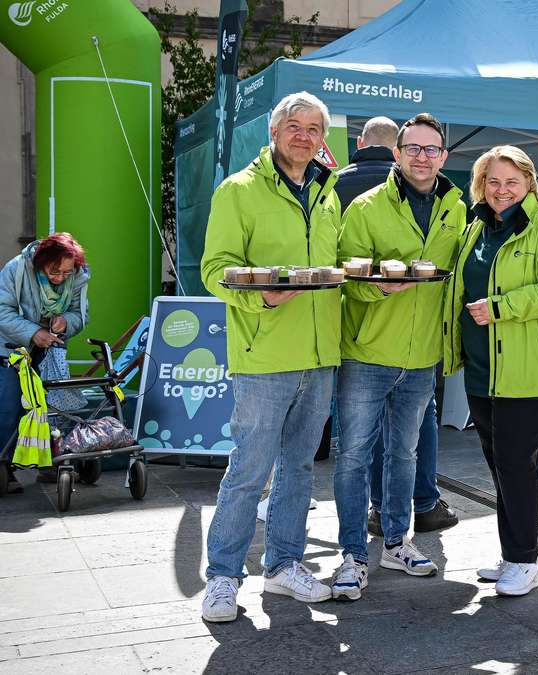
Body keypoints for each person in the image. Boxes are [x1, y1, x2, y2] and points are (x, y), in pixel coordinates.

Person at [199, 92, 343, 622]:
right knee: (249, 469)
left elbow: (332, 267)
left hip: (320, 354)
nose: (304, 136)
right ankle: (222, 576)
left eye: (313, 129)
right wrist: (259, 297)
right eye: (294, 126)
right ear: (274, 132)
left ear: (322, 139)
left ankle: (283, 565)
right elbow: (214, 269)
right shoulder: (238, 190)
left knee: (299, 469)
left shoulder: (328, 194)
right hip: (263, 354)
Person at [330, 113, 467, 600]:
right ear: (397, 153)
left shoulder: (456, 209)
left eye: (431, 149)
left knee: (405, 453)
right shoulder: (366, 207)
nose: (422, 157)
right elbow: (347, 276)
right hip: (366, 351)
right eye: (413, 148)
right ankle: (352, 554)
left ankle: (395, 541)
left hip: (422, 354)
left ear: (443, 157)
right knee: (353, 455)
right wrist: (379, 289)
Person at [442, 145, 538, 597]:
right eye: (493, 181)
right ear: (480, 185)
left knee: (515, 462)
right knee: (500, 463)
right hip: (482, 369)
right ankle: (519, 552)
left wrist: (502, 307)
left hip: (531, 370)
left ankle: (523, 560)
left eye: (512, 182)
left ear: (529, 184)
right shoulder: (476, 229)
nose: (502, 190)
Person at [0, 233, 89, 494]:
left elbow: (81, 313)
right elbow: (2, 311)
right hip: (11, 349)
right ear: (41, 263)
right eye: (54, 271)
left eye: (66, 272)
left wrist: (66, 322)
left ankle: (47, 462)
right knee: (10, 406)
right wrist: (33, 333)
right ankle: (5, 467)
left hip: (49, 349)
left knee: (48, 408)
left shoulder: (78, 276)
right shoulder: (17, 269)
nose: (60, 278)